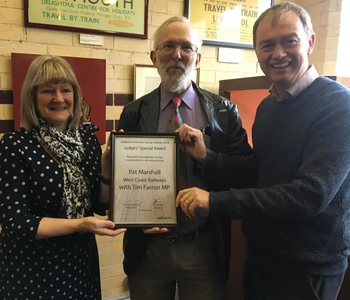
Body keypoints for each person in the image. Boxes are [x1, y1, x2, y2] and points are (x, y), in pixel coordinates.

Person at [177, 2, 350, 300]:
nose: (278, 54)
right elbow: (259, 173)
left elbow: (309, 195)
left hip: (307, 264)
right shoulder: (268, 106)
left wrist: (215, 201)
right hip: (262, 254)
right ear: (257, 52)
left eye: (289, 41)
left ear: (309, 42)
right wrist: (207, 157)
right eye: (267, 45)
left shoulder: (338, 106)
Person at [118, 16, 257, 300]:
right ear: (154, 56)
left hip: (205, 244)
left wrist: (208, 156)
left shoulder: (223, 111)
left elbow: (246, 172)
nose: (177, 55)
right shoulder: (134, 112)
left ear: (198, 58)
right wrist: (133, 216)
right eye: (168, 46)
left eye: (186, 47)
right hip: (148, 249)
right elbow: (125, 182)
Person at [0, 55, 125, 300]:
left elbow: (99, 203)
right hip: (30, 268)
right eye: (47, 91)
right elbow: (16, 222)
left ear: (75, 96)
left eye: (66, 90)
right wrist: (80, 224)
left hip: (79, 263)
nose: (59, 98)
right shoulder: (15, 145)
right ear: (32, 97)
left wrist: (106, 169)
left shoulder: (87, 141)